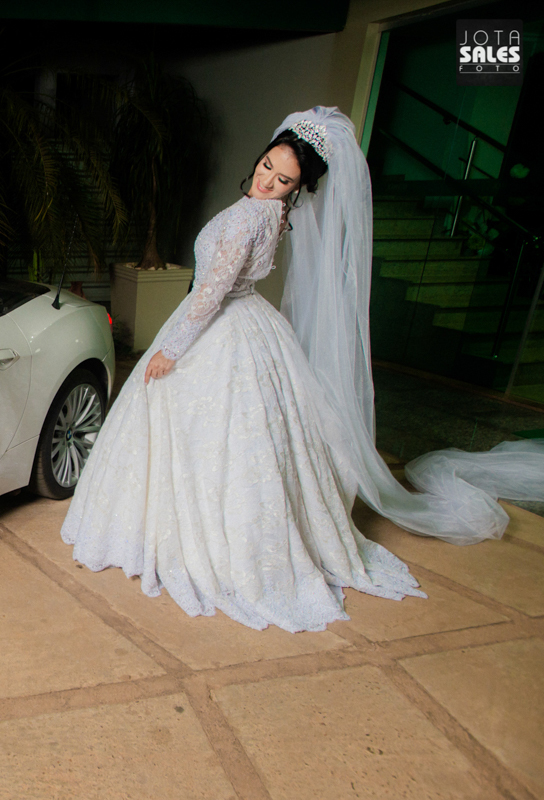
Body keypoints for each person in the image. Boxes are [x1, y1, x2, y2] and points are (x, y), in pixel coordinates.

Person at [60, 106, 544, 633]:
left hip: (222, 323)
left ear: (298, 187)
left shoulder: (250, 216)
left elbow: (212, 293)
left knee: (205, 433)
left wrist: (170, 349)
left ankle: (200, 543)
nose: (267, 180)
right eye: (267, 165)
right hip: (251, 321)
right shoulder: (274, 214)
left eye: (283, 179)